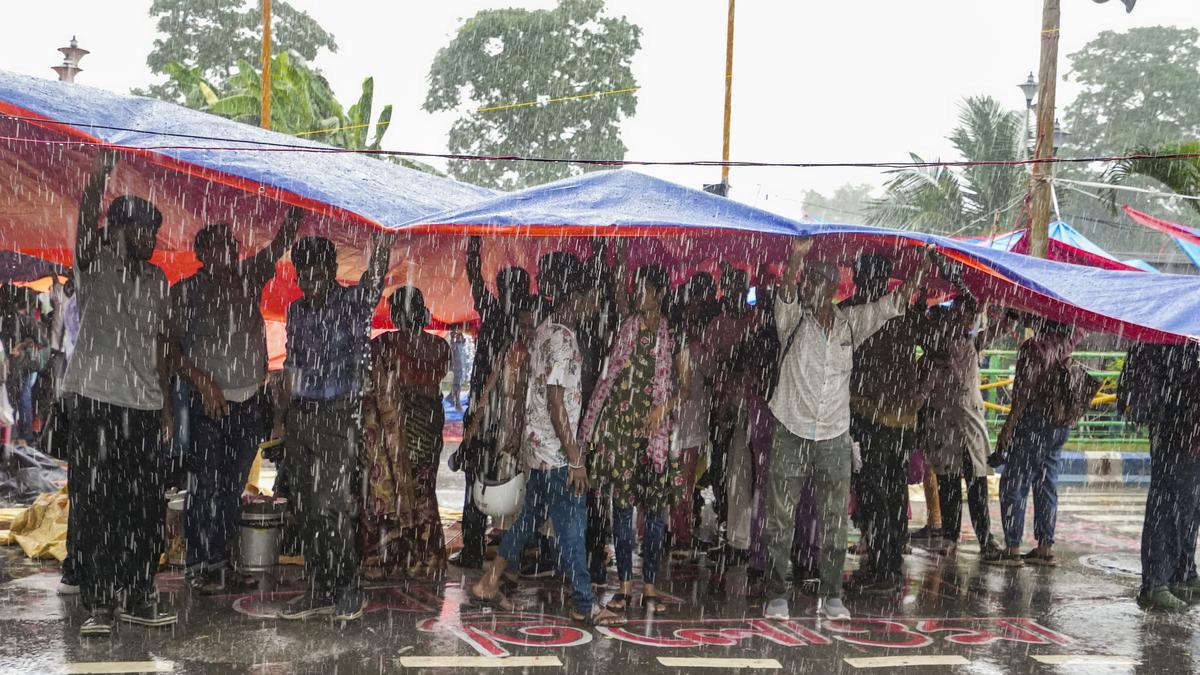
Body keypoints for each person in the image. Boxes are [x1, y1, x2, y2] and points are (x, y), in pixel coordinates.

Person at [763, 238, 934, 622]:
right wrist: (796, 257)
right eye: (805, 281)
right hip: (792, 431)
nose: (806, 287)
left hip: (834, 436)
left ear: (830, 287)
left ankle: (832, 593)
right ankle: (776, 593)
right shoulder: (790, 320)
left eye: (815, 282)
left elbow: (893, 305)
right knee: (780, 520)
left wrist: (921, 271)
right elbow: (786, 291)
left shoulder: (849, 323)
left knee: (835, 520)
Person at [470, 261, 625, 627]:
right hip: (557, 454)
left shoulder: (542, 332)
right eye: (594, 297)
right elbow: (557, 402)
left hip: (539, 450)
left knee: (527, 523)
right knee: (573, 529)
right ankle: (585, 603)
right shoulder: (563, 339)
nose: (597, 305)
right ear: (579, 296)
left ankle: (489, 582)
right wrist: (575, 458)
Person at [62, 150, 176, 635]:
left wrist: (168, 405)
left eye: (154, 233)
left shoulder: (157, 280)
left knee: (144, 509)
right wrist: (99, 177)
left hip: (145, 408)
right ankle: (99, 603)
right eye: (143, 232)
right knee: (96, 506)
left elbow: (162, 346)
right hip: (95, 401)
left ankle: (136, 595)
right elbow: (86, 224)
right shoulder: (94, 263)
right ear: (119, 231)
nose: (151, 242)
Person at [168, 209, 301, 594]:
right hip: (208, 403)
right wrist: (204, 385)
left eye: (230, 245)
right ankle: (198, 563)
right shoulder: (187, 291)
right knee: (204, 484)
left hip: (248, 400)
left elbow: (278, 246)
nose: (226, 252)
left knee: (231, 486)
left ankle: (222, 562)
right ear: (203, 253)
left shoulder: (249, 275)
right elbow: (172, 350)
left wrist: (293, 212)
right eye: (218, 247)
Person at [274, 230, 392, 622]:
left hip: (339, 415)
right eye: (302, 272)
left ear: (330, 269)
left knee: (332, 504)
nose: (308, 279)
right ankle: (320, 587)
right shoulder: (296, 312)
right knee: (306, 507)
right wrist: (282, 418)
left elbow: (374, 279)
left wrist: (383, 240)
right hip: (302, 415)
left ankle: (348, 588)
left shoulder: (352, 302)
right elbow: (291, 363)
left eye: (316, 270)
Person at [580, 263, 689, 612]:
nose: (638, 295)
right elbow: (610, 377)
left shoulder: (674, 335)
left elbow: (686, 387)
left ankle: (651, 589)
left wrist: (662, 408)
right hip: (622, 431)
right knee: (623, 511)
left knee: (656, 514)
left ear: (659, 294)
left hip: (654, 435)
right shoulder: (627, 327)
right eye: (636, 289)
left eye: (644, 289)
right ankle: (625, 587)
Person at [843, 253, 933, 596]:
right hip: (903, 421)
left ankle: (882, 567)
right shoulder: (906, 314)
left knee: (873, 492)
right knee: (894, 492)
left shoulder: (851, 311)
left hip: (867, 417)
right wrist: (915, 393)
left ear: (857, 275)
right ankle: (890, 565)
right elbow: (939, 351)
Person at [454, 236, 534, 569]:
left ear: (500, 289)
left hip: (486, 408)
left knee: (477, 478)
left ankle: (474, 547)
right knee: (515, 479)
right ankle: (513, 550)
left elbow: (474, 277)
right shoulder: (528, 318)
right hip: (515, 412)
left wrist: (474, 244)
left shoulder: (492, 310)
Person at [360, 286, 450, 579]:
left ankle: (392, 558)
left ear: (397, 315)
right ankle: (427, 558)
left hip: (399, 423)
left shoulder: (385, 344)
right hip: (430, 422)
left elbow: (374, 383)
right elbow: (435, 379)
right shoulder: (441, 348)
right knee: (424, 490)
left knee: (395, 491)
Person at [919, 293, 1012, 557]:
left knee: (976, 481)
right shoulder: (936, 345)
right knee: (947, 480)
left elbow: (1000, 327)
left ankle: (985, 539)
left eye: (969, 314)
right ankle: (950, 536)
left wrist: (1009, 311)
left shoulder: (974, 342)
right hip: (943, 423)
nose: (965, 318)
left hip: (969, 425)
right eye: (961, 312)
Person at [986, 318, 1082, 568]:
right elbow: (1079, 328)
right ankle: (1044, 547)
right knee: (1046, 483)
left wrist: (1007, 429)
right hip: (1059, 423)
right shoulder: (1067, 342)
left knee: (1014, 483)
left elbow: (1022, 395)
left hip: (1034, 423)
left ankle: (1012, 548)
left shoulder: (1034, 349)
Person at [1120, 342, 1200, 611]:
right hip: (1177, 428)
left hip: (1189, 429)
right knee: (1168, 507)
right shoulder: (1173, 330)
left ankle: (1182, 572)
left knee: (1189, 508)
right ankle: (1155, 584)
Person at [668, 273, 718, 555]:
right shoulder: (691, 348)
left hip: (688, 426)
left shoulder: (692, 348)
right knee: (681, 484)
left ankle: (679, 531)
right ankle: (681, 534)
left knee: (682, 484)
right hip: (681, 425)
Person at [448, 325, 470, 413]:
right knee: (457, 385)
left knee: (457, 385)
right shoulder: (454, 345)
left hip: (460, 369)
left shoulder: (460, 345)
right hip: (457, 368)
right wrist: (452, 335)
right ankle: (456, 401)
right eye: (458, 336)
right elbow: (452, 344)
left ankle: (452, 397)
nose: (460, 337)